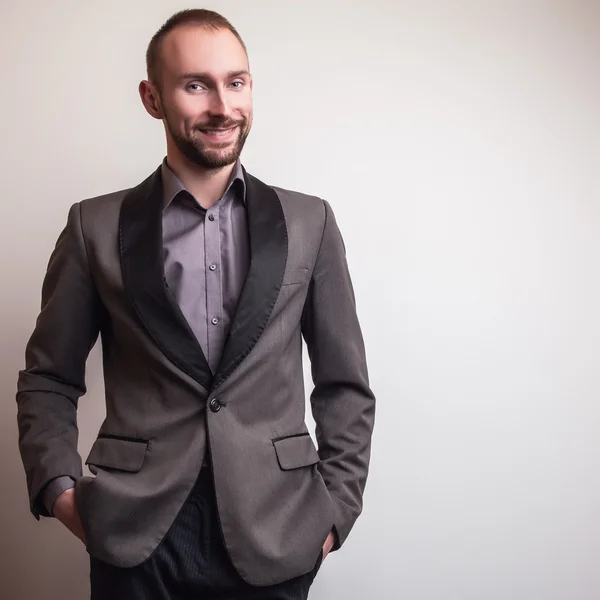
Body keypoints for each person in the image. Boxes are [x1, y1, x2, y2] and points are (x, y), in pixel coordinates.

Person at [16, 8, 375, 599]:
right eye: (195, 85)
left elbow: (345, 384)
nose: (221, 106)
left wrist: (336, 511)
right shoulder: (94, 227)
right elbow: (49, 378)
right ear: (152, 98)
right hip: (136, 535)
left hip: (278, 528)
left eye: (235, 82)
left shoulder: (310, 222)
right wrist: (60, 491)